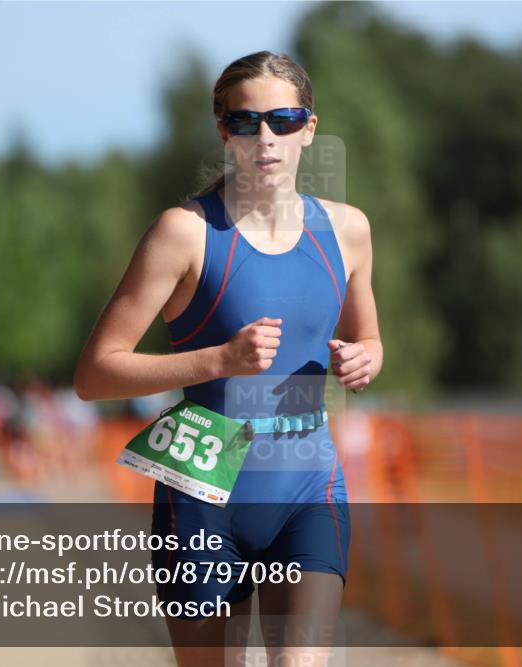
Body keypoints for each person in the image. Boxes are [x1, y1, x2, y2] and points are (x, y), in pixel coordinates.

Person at [74, 51, 383, 665]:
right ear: (224, 133)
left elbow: (369, 338)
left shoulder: (347, 230)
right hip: (204, 490)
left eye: (283, 120)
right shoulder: (184, 233)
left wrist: (365, 358)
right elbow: (95, 373)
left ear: (310, 129)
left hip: (307, 483)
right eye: (245, 123)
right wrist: (217, 360)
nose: (266, 138)